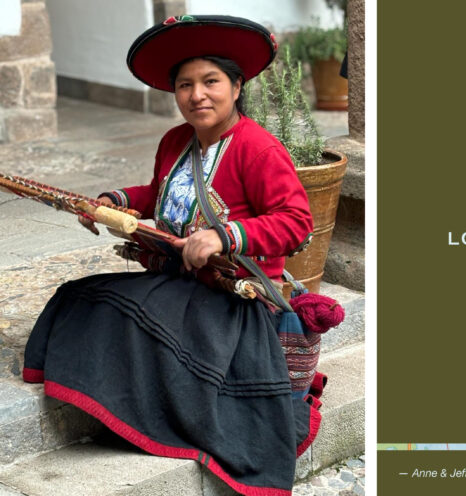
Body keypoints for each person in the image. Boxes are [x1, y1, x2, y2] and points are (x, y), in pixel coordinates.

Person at [22, 15, 321, 496]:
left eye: (211, 82)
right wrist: (115, 202)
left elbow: (296, 221)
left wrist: (226, 237)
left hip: (232, 303)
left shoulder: (258, 149)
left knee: (141, 322)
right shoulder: (175, 141)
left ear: (237, 85)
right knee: (84, 297)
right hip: (180, 283)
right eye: (186, 85)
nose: (197, 95)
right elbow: (159, 193)